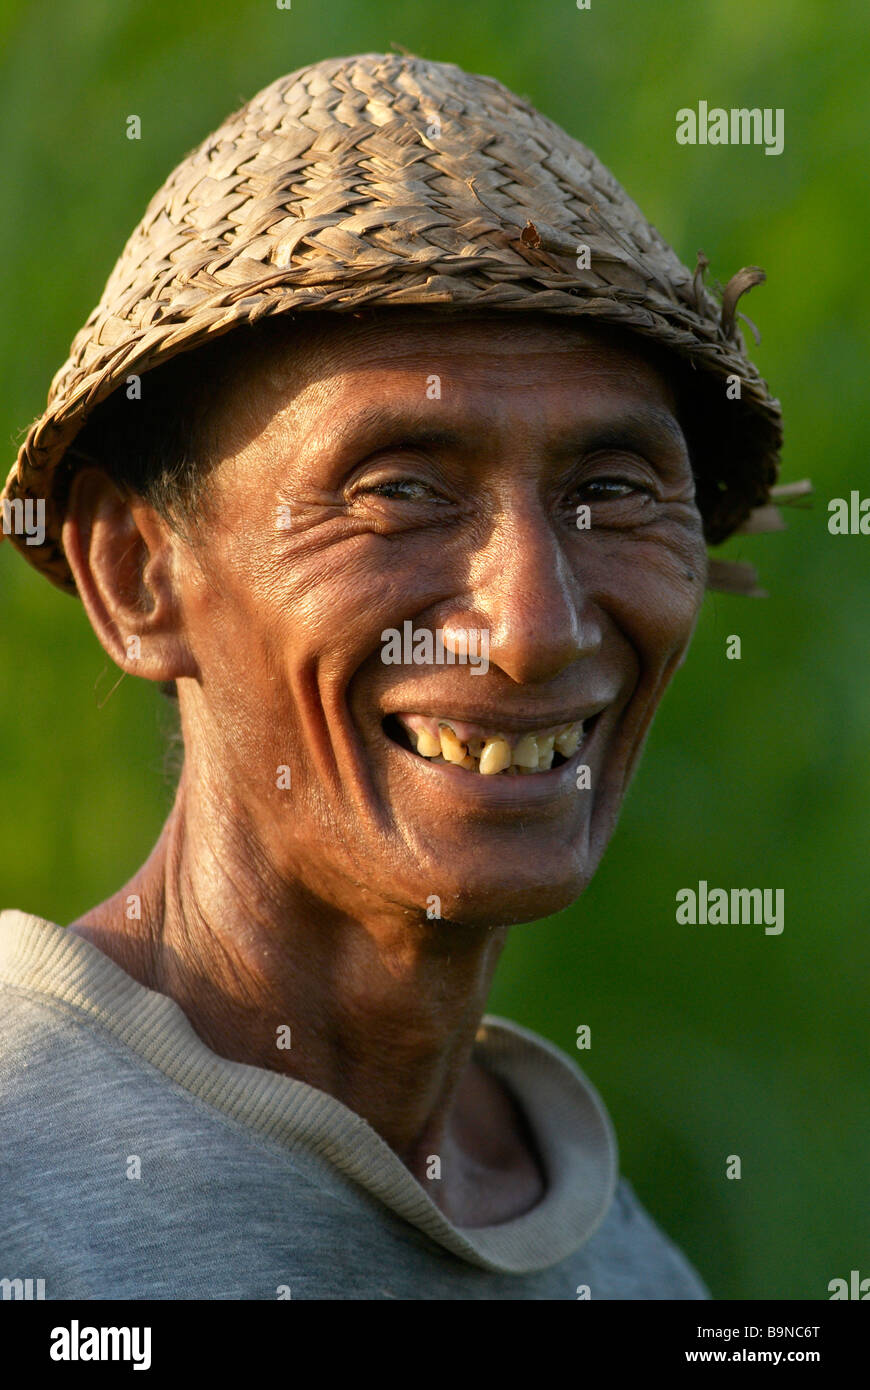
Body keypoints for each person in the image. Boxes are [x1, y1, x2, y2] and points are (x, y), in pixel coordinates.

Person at [0, 52, 792, 1300]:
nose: (533, 629)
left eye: (613, 494)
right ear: (138, 573)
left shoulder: (630, 1267)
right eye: (399, 490)